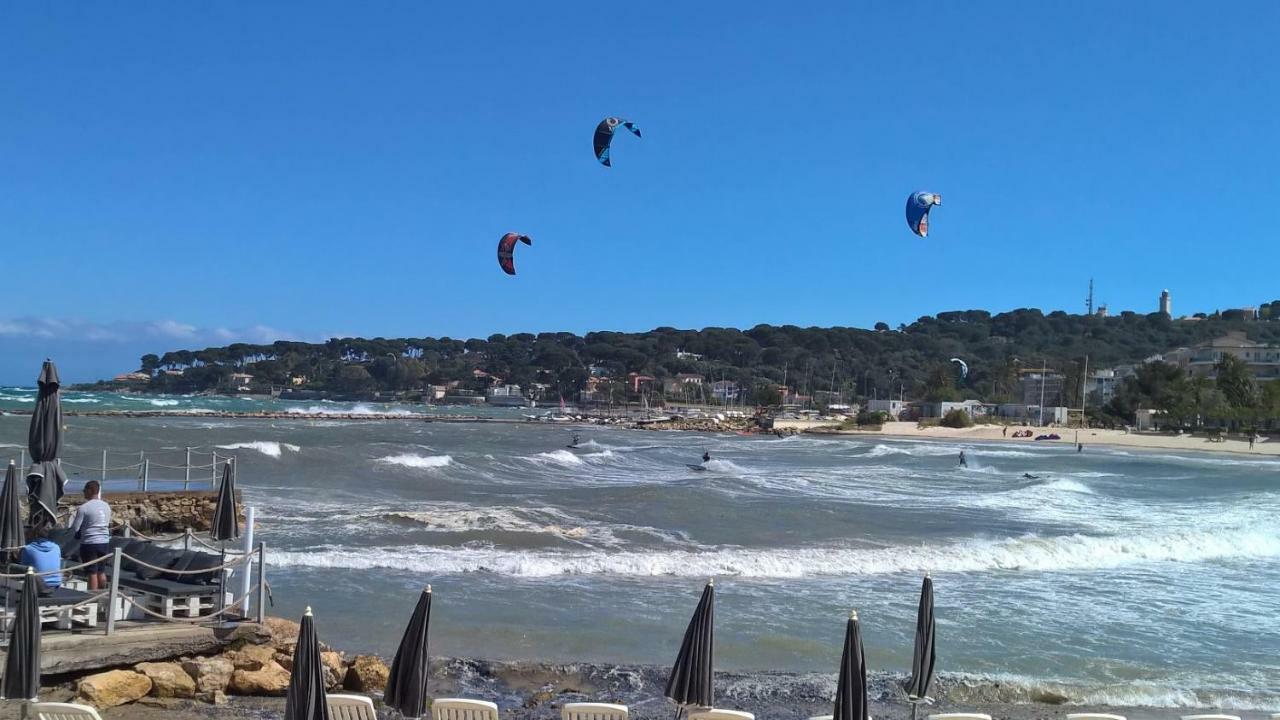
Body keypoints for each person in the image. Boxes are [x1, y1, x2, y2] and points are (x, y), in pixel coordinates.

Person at [70, 480, 112, 591]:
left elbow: (75, 527)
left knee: (92, 572)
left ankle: (92, 598)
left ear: (90, 491)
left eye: (84, 490)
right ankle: (103, 593)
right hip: (104, 541)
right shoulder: (106, 506)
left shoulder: (84, 508)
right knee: (101, 570)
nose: (83, 493)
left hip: (90, 543)